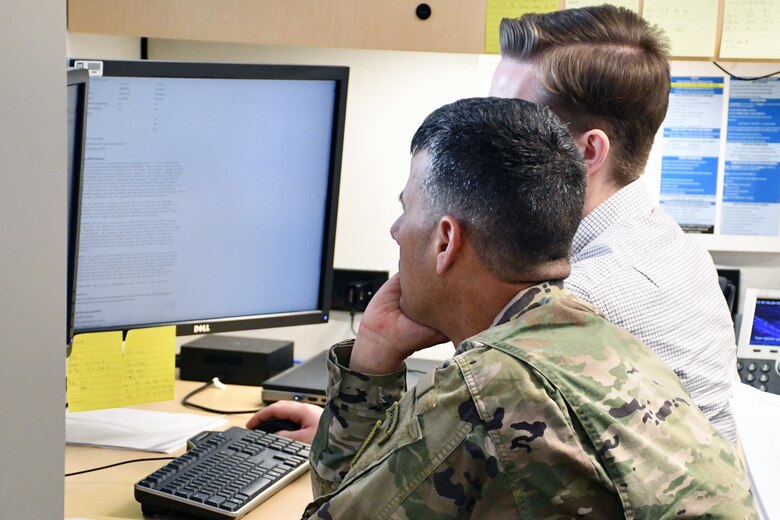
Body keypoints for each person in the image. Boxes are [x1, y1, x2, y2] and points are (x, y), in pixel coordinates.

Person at [251, 97, 756, 518]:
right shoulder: (605, 341)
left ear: (446, 240)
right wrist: (377, 352)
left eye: (406, 209)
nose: (396, 231)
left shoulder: (488, 388)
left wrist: (366, 373)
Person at [489, 5, 739, 443]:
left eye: (511, 127)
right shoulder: (679, 249)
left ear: (587, 153)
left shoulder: (578, 302)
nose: (487, 147)